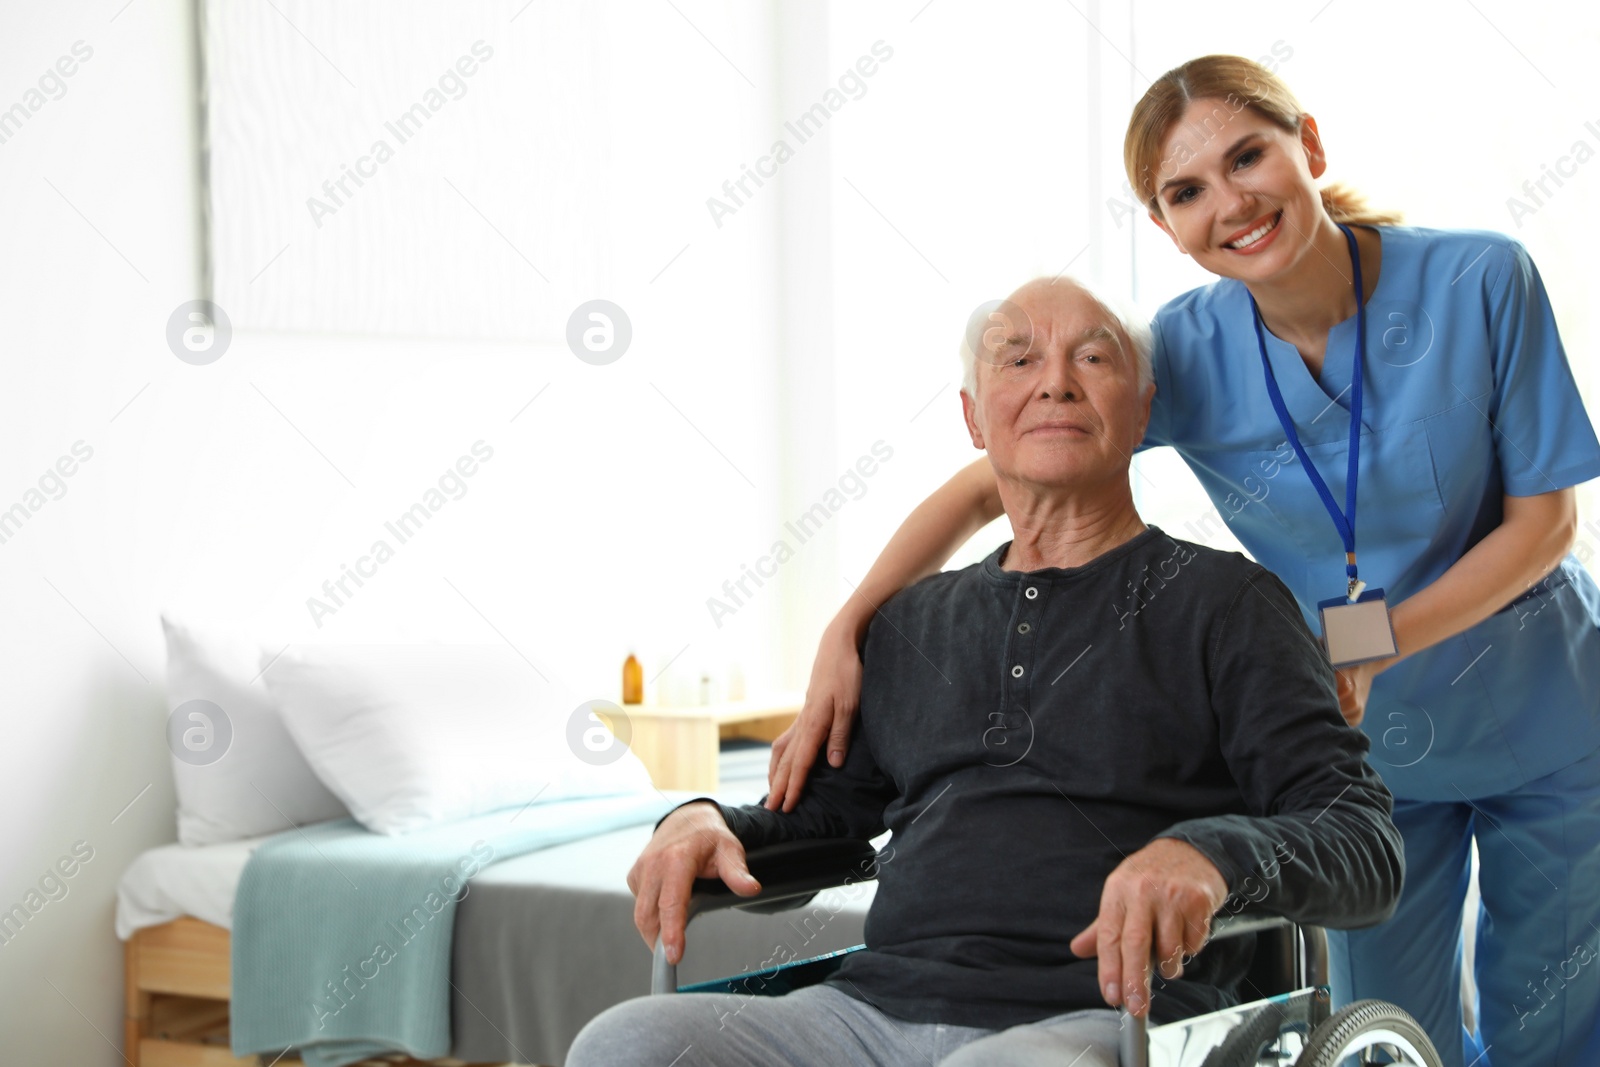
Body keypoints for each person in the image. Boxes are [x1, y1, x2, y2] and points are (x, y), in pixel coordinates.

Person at [767, 54, 1600, 1067]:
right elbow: (1001, 476)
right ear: (1164, 226)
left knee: (1547, 1027)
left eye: (1248, 156)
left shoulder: (1479, 278)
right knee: (1391, 1037)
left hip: (1542, 712)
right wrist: (847, 625)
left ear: (1311, 147)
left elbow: (1545, 523)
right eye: (1187, 190)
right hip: (1360, 747)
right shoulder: (1184, 351)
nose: (1231, 202)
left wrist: (1373, 641)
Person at [567, 277, 1403, 1067]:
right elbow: (826, 819)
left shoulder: (1228, 604)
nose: (1056, 383)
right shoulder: (909, 622)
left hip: (1106, 1016)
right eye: (1019, 358)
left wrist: (1208, 853)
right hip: (870, 1013)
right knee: (627, 1042)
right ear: (974, 417)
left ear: (1143, 408)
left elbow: (1363, 840)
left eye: (1095, 356)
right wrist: (706, 819)